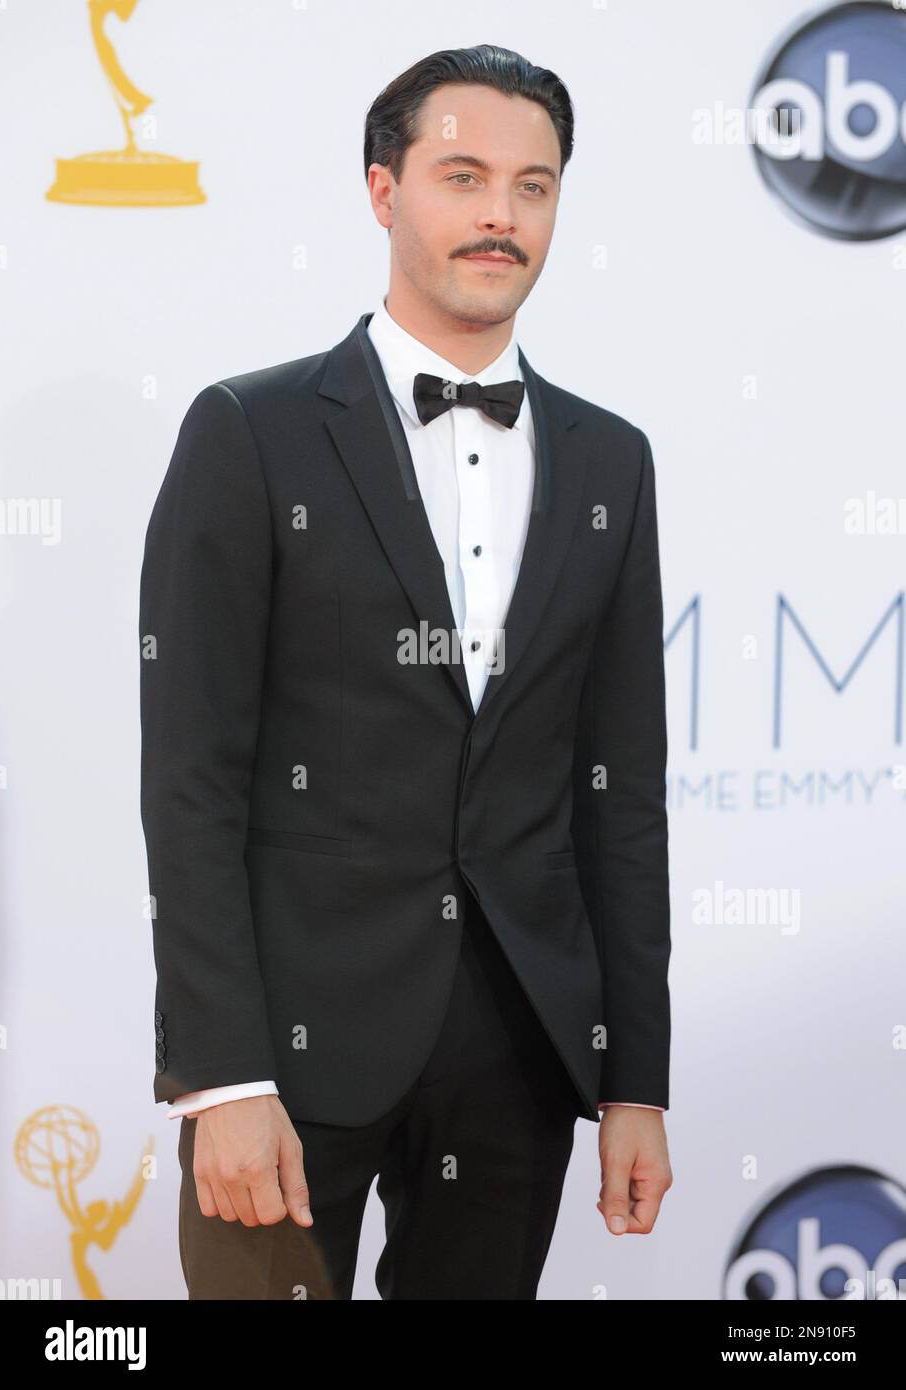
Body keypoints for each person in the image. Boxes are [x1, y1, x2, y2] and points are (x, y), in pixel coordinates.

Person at [139, 43, 673, 1301]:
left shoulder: (612, 460)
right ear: (382, 191)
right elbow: (192, 777)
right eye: (463, 176)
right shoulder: (249, 431)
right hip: (285, 1054)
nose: (501, 215)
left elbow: (620, 796)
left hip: (517, 1054)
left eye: (533, 185)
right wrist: (221, 1074)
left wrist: (634, 1079)